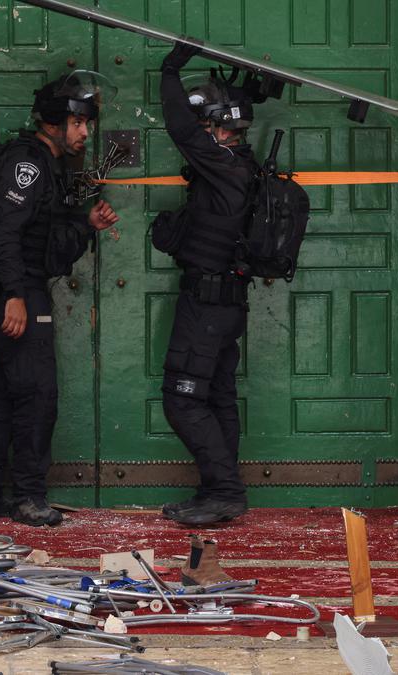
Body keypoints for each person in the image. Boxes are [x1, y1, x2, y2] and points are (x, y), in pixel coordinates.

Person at [0, 71, 120, 527]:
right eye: (79, 123)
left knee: (2, 396)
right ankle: (30, 497)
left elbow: (42, 236)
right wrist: (15, 295)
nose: (85, 132)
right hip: (14, 288)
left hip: (16, 285)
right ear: (55, 121)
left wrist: (86, 223)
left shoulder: (47, 164)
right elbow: (3, 233)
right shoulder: (27, 165)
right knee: (37, 395)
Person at [157, 43, 259, 525]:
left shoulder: (223, 165)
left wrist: (170, 69)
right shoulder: (239, 167)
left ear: (220, 127)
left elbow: (179, 127)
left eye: (206, 127)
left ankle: (223, 491)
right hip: (224, 302)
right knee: (216, 396)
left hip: (209, 305)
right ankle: (218, 491)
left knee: (181, 399)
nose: (198, 135)